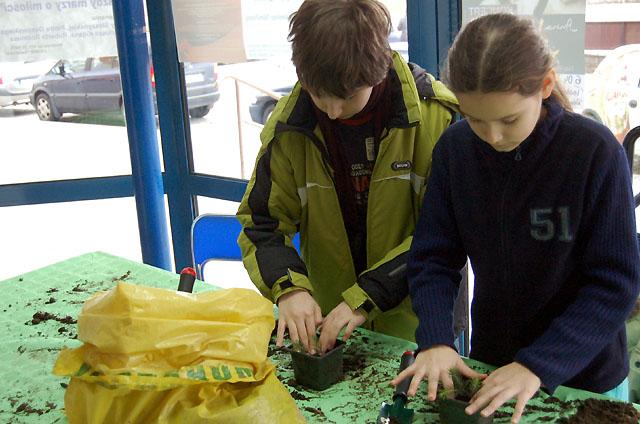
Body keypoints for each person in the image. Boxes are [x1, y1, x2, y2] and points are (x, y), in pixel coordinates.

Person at [392, 13, 640, 423]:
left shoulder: (592, 153)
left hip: (584, 377)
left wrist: (538, 364)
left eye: (509, 120)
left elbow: (615, 284)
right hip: (492, 366)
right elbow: (434, 258)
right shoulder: (455, 151)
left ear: (544, 86)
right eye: (474, 119)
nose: (492, 137)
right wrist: (436, 338)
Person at [237, 0, 458, 355]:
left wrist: (365, 298)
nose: (333, 111)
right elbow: (262, 223)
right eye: (318, 95)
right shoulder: (289, 126)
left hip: (420, 331)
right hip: (329, 330)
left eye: (347, 97)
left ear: (379, 69)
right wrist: (290, 289)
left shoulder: (436, 117)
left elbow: (444, 235)